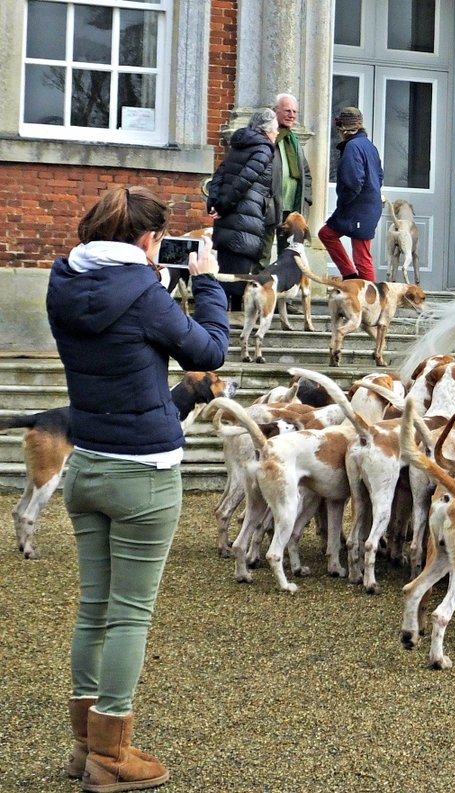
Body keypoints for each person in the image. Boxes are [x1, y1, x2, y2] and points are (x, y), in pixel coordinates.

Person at [45, 186, 228, 792]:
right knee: (129, 616)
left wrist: (156, 279)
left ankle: (83, 747)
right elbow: (211, 350)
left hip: (86, 463)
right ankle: (111, 756)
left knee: (93, 608)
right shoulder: (146, 295)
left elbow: (120, 324)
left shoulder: (62, 282)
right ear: (150, 239)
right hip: (143, 470)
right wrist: (208, 283)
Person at [208, 108, 278, 318]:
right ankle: (232, 326)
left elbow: (219, 175)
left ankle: (219, 319)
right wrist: (222, 206)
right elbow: (243, 182)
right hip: (244, 222)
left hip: (228, 222)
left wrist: (214, 203)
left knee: (225, 276)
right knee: (238, 281)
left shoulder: (239, 146)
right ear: (266, 131)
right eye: (275, 130)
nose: (276, 134)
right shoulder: (263, 149)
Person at [318, 106, 383, 282]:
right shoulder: (369, 146)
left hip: (358, 208)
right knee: (326, 234)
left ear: (342, 128)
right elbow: (379, 176)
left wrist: (344, 202)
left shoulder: (353, 147)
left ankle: (369, 297)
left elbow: (353, 182)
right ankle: (350, 277)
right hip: (367, 207)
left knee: (362, 257)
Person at [262, 93, 312, 265]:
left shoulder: (294, 140)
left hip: (291, 209)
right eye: (287, 111)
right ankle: (261, 282)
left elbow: (306, 173)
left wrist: (306, 199)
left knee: (288, 256)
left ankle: (282, 282)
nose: (292, 115)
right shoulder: (267, 139)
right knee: (262, 255)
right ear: (275, 111)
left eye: (294, 112)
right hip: (270, 206)